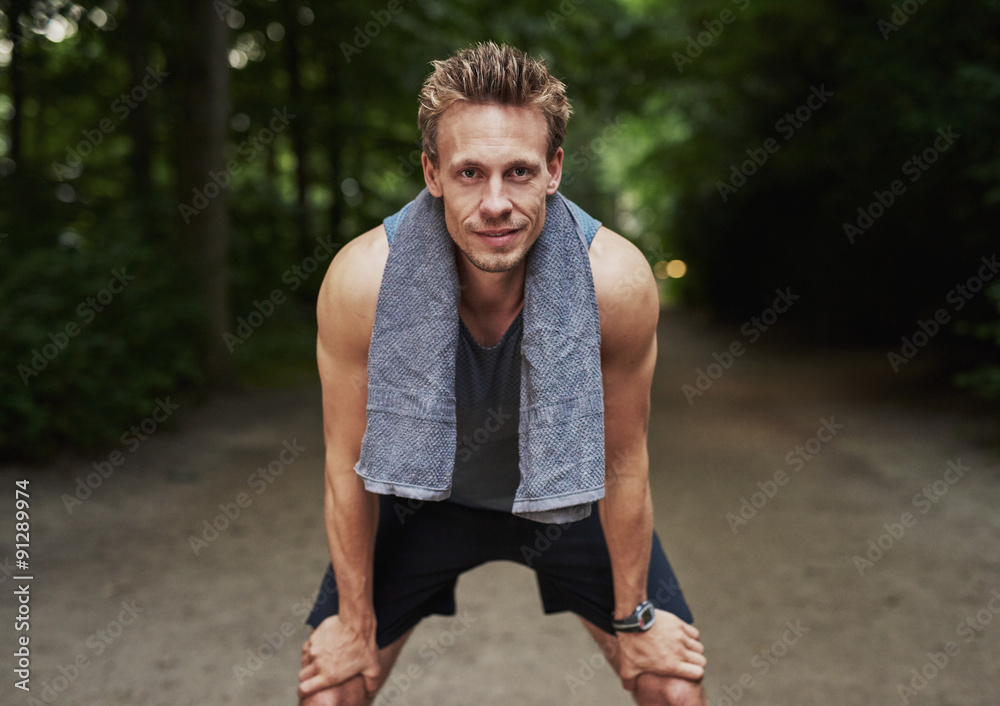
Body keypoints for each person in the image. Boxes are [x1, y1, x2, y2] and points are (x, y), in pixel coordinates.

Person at [297, 41, 707, 706]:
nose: (495, 202)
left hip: (568, 496)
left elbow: (626, 460)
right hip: (421, 502)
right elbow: (346, 466)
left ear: (554, 170)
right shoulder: (362, 280)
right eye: (469, 173)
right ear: (432, 173)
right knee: (331, 690)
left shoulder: (616, 281)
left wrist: (635, 621)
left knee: (672, 685)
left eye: (518, 172)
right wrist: (353, 623)